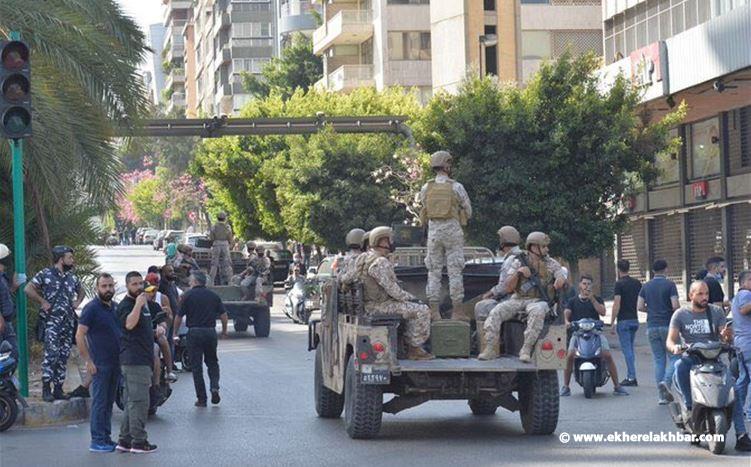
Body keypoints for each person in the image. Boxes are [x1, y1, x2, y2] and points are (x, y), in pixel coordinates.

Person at [665, 280, 748, 450]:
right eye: (700, 294)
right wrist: (675, 347)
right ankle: (689, 407)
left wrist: (726, 336)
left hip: (713, 359)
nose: (705, 297)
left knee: (733, 391)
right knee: (680, 366)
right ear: (691, 295)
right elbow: (670, 340)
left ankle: (741, 434)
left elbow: (724, 335)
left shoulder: (716, 311)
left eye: (707, 294)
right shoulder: (680, 314)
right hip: (692, 358)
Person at [479, 232, 566, 362]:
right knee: (497, 311)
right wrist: (518, 273)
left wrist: (559, 280)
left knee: (537, 311)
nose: (547, 249)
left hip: (538, 300)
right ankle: (490, 348)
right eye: (543, 246)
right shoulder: (518, 261)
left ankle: (526, 349)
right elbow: (508, 287)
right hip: (518, 298)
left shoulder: (550, 263)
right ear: (533, 247)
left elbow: (560, 274)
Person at [356, 226, 433, 360]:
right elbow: (393, 290)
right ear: (381, 241)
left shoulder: (364, 258)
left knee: (412, 308)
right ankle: (414, 349)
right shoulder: (380, 262)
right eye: (388, 240)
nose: (390, 243)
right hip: (380, 306)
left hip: (370, 304)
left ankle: (407, 344)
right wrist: (412, 299)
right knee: (422, 310)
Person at [25, 245, 84, 402]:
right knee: (51, 354)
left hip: (68, 322)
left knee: (64, 355)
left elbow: (81, 291)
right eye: (69, 257)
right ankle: (46, 388)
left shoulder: (72, 277)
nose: (72, 260)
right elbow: (28, 289)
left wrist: (77, 302)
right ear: (60, 259)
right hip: (52, 322)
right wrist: (42, 301)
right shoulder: (46, 274)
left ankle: (58, 389)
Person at [418, 150, 472, 321]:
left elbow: (422, 205)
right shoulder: (456, 186)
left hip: (434, 234)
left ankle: (434, 311)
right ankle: (457, 311)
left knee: (433, 272)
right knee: (455, 271)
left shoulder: (426, 187)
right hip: (452, 232)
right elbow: (468, 211)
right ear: (447, 165)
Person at [560, 275, 629, 396]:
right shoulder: (573, 301)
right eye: (584, 283)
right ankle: (566, 386)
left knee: (607, 354)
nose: (586, 286)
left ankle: (617, 386)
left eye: (588, 284)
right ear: (580, 285)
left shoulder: (597, 299)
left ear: (592, 286)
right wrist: (567, 322)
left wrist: (592, 299)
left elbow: (602, 312)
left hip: (595, 333)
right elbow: (567, 314)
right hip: (578, 334)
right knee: (570, 355)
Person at [76, 273, 120, 453]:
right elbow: (79, 335)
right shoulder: (91, 308)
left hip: (116, 363)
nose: (108, 289)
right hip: (100, 364)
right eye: (104, 286)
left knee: (109, 403)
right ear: (97, 288)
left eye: (110, 286)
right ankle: (97, 440)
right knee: (100, 403)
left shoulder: (116, 307)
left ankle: (106, 438)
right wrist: (88, 361)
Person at [116, 271, 157, 454]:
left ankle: (125, 440)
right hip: (134, 360)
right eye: (134, 284)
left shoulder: (143, 303)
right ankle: (139, 442)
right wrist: (139, 305)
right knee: (139, 402)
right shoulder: (127, 305)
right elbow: (129, 325)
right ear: (127, 286)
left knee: (131, 401)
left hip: (143, 359)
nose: (139, 287)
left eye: (141, 283)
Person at [173, 271, 228, 407]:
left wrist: (174, 333)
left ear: (195, 282)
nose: (189, 283)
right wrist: (224, 331)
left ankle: (202, 399)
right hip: (210, 332)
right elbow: (224, 315)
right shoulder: (213, 295)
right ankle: (214, 387)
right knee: (212, 362)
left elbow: (179, 317)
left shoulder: (187, 296)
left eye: (191, 281)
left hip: (194, 333)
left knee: (196, 367)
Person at [638, 259, 680, 405]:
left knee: (659, 360)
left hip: (651, 326)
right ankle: (666, 382)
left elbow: (639, 306)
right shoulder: (670, 285)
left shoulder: (646, 286)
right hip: (668, 325)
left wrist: (651, 310)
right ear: (666, 269)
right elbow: (675, 305)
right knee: (676, 357)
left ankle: (661, 396)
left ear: (654, 270)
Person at [474, 226, 522, 324]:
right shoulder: (524, 255)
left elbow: (505, 287)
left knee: (481, 307)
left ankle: (488, 338)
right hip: (525, 299)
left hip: (513, 300)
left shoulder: (510, 260)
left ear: (503, 241)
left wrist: (490, 293)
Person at [609, 259, 642, 386]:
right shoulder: (637, 283)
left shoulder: (619, 284)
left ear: (618, 269)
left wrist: (612, 322)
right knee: (630, 349)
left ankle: (631, 377)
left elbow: (617, 303)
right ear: (629, 268)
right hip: (634, 319)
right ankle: (631, 374)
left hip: (623, 321)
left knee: (627, 350)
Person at [730, 270, 751, 451]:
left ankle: (738, 406)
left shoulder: (738, 295)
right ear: (744, 282)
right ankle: (749, 411)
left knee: (743, 378)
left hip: (741, 342)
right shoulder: (745, 294)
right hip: (748, 341)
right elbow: (745, 310)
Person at [144, 273, 176, 383]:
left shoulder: (157, 304)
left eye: (153, 290)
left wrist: (162, 327)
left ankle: (169, 371)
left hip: (153, 333)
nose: (151, 293)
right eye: (148, 291)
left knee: (162, 341)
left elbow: (166, 320)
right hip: (138, 336)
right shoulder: (133, 305)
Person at [0, 244, 19, 361]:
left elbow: (4, 295)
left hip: (6, 321)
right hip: (3, 322)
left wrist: (14, 287)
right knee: (12, 354)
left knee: (11, 355)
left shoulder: (2, 276)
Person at [209, 212, 234, 285]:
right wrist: (230, 244)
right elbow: (230, 237)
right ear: (225, 218)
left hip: (216, 244)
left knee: (214, 263)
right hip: (225, 244)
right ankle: (230, 281)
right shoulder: (227, 227)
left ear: (217, 218)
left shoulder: (214, 226)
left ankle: (211, 281)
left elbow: (211, 237)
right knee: (227, 263)